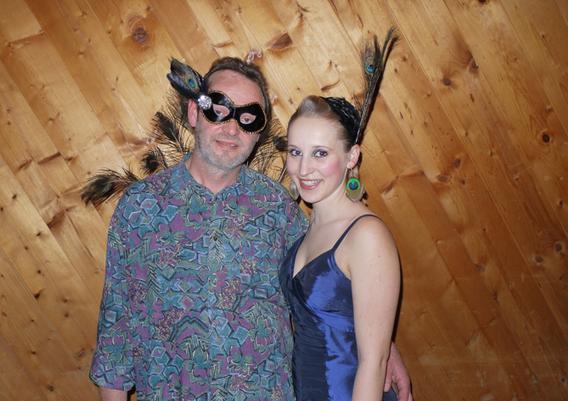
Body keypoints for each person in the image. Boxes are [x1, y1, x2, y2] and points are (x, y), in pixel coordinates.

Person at [89, 56, 411, 401]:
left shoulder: (279, 208)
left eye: (247, 119)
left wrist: (382, 348)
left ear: (258, 134)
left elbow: (329, 287)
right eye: (218, 111)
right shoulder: (139, 208)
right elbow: (115, 334)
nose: (231, 129)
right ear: (194, 113)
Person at [280, 96, 404, 401]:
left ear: (351, 157)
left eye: (320, 153)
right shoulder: (306, 230)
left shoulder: (367, 235)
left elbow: (374, 363)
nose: (304, 168)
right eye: (295, 152)